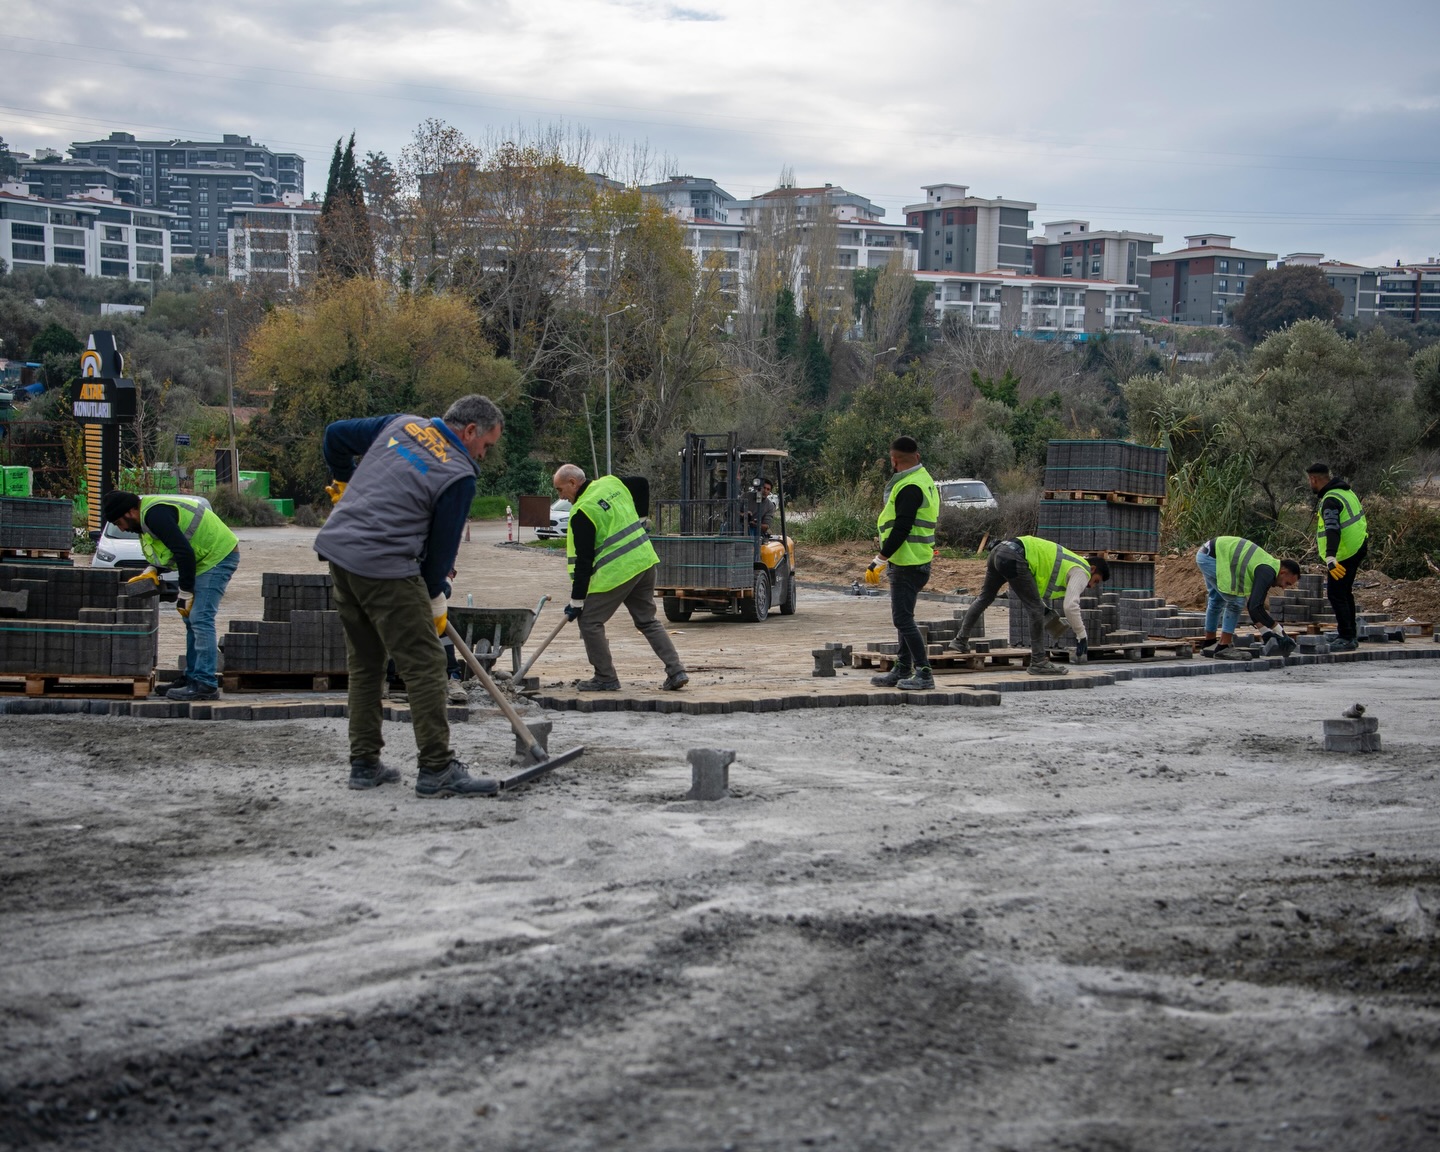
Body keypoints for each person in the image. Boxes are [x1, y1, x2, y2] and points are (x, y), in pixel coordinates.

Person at [315, 395, 502, 797]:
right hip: (384, 566)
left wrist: (343, 481)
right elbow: (440, 555)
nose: (483, 455)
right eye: (485, 445)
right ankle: (437, 768)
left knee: (366, 663)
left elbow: (334, 435)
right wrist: (435, 595)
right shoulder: (459, 473)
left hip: (340, 554)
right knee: (427, 665)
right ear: (470, 431)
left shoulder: (401, 425)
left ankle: (364, 765)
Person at [552, 463, 689, 693]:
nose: (561, 497)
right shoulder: (610, 483)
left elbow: (584, 563)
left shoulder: (582, 511)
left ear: (573, 483)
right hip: (644, 562)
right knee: (647, 621)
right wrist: (642, 518)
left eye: (560, 489)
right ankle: (676, 671)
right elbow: (641, 483)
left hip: (619, 572)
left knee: (589, 622)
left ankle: (605, 677)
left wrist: (577, 601)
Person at [101, 491, 239, 702]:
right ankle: (192, 677)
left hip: (218, 556)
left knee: (200, 618)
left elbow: (184, 552)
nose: (122, 528)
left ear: (130, 511)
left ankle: (205, 684)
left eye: (120, 522)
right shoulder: (146, 520)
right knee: (190, 618)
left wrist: (185, 590)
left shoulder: (154, 515)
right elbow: (170, 551)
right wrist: (153, 569)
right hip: (204, 558)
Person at [949, 536, 1109, 677]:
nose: (1091, 586)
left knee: (985, 598)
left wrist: (1044, 609)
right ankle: (1038, 662)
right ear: (1093, 569)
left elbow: (1033, 590)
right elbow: (1070, 606)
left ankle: (960, 640)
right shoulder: (1083, 571)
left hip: (1000, 550)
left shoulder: (1068, 562)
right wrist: (1082, 636)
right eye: (1095, 581)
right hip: (1015, 556)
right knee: (1036, 611)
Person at [868, 436, 941, 691]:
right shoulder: (924, 480)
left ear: (894, 460)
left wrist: (879, 558)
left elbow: (902, 527)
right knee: (904, 617)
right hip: (916, 559)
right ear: (917, 457)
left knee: (902, 619)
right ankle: (902, 668)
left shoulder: (909, 486)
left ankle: (924, 672)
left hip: (908, 562)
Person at [1195, 535, 1301, 658]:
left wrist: (1264, 632)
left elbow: (1254, 605)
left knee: (1216, 599)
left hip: (1208, 554)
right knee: (1236, 602)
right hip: (1212, 559)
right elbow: (1254, 607)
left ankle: (1209, 643)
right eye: (1287, 583)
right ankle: (1223, 646)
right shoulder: (1267, 572)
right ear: (1283, 572)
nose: (1283, 587)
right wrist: (1278, 629)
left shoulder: (1268, 566)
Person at [1307, 462, 1368, 652]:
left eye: (1310, 481)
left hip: (1344, 554)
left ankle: (1347, 637)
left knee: (1336, 593)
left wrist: (1331, 557)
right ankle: (1349, 632)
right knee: (1344, 592)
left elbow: (1332, 528)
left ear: (1314, 479)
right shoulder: (1345, 492)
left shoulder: (1331, 500)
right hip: (1357, 546)